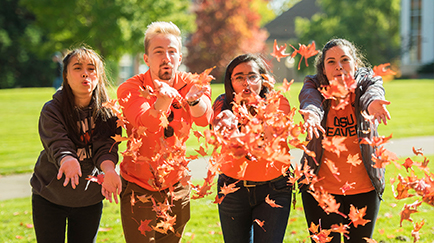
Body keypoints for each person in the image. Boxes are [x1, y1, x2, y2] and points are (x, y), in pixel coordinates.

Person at [116, 21, 213, 243]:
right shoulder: (130, 88)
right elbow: (144, 124)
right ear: (146, 59)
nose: (166, 57)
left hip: (176, 184)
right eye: (158, 52)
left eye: (172, 51)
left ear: (180, 57)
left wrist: (194, 100)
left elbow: (204, 118)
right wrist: (163, 100)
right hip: (139, 185)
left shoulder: (191, 84)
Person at [298, 38, 391, 242]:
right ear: (323, 68)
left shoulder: (367, 82)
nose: (338, 66)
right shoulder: (313, 85)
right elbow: (310, 100)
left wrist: (374, 102)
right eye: (331, 61)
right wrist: (312, 114)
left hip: (363, 189)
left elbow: (372, 92)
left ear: (355, 64)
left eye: (344, 60)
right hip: (320, 191)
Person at [31, 46, 122, 243]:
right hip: (49, 196)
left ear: (99, 75)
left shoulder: (108, 112)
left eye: (91, 68)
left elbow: (106, 146)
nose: (85, 74)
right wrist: (67, 158)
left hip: (88, 199)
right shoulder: (52, 109)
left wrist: (109, 170)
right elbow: (57, 140)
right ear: (65, 74)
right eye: (77, 68)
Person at [212, 54, 293, 243]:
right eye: (239, 77)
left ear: (263, 79)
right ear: (230, 82)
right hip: (232, 189)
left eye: (252, 76)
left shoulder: (278, 103)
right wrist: (226, 120)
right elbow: (225, 137)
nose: (246, 82)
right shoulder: (222, 104)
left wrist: (264, 109)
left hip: (274, 188)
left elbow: (269, 145)